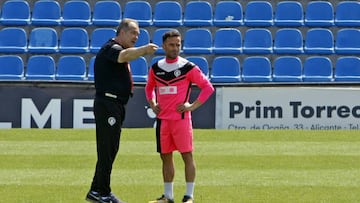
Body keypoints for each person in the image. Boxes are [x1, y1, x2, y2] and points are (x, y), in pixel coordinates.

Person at [86, 18, 158, 203]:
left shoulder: (116, 48)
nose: (136, 37)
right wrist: (144, 50)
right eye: (133, 33)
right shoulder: (111, 48)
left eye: (138, 34)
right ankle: (101, 192)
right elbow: (124, 56)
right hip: (108, 104)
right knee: (107, 149)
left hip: (115, 105)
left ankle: (98, 190)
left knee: (110, 148)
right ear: (122, 32)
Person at [145, 30, 214, 203]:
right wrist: (153, 104)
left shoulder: (187, 67)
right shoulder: (156, 68)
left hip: (181, 121)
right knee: (165, 157)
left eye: (178, 45)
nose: (175, 48)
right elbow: (149, 88)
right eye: (171, 45)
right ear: (163, 46)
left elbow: (208, 88)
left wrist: (192, 106)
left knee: (187, 156)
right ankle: (168, 196)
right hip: (163, 121)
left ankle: (189, 196)